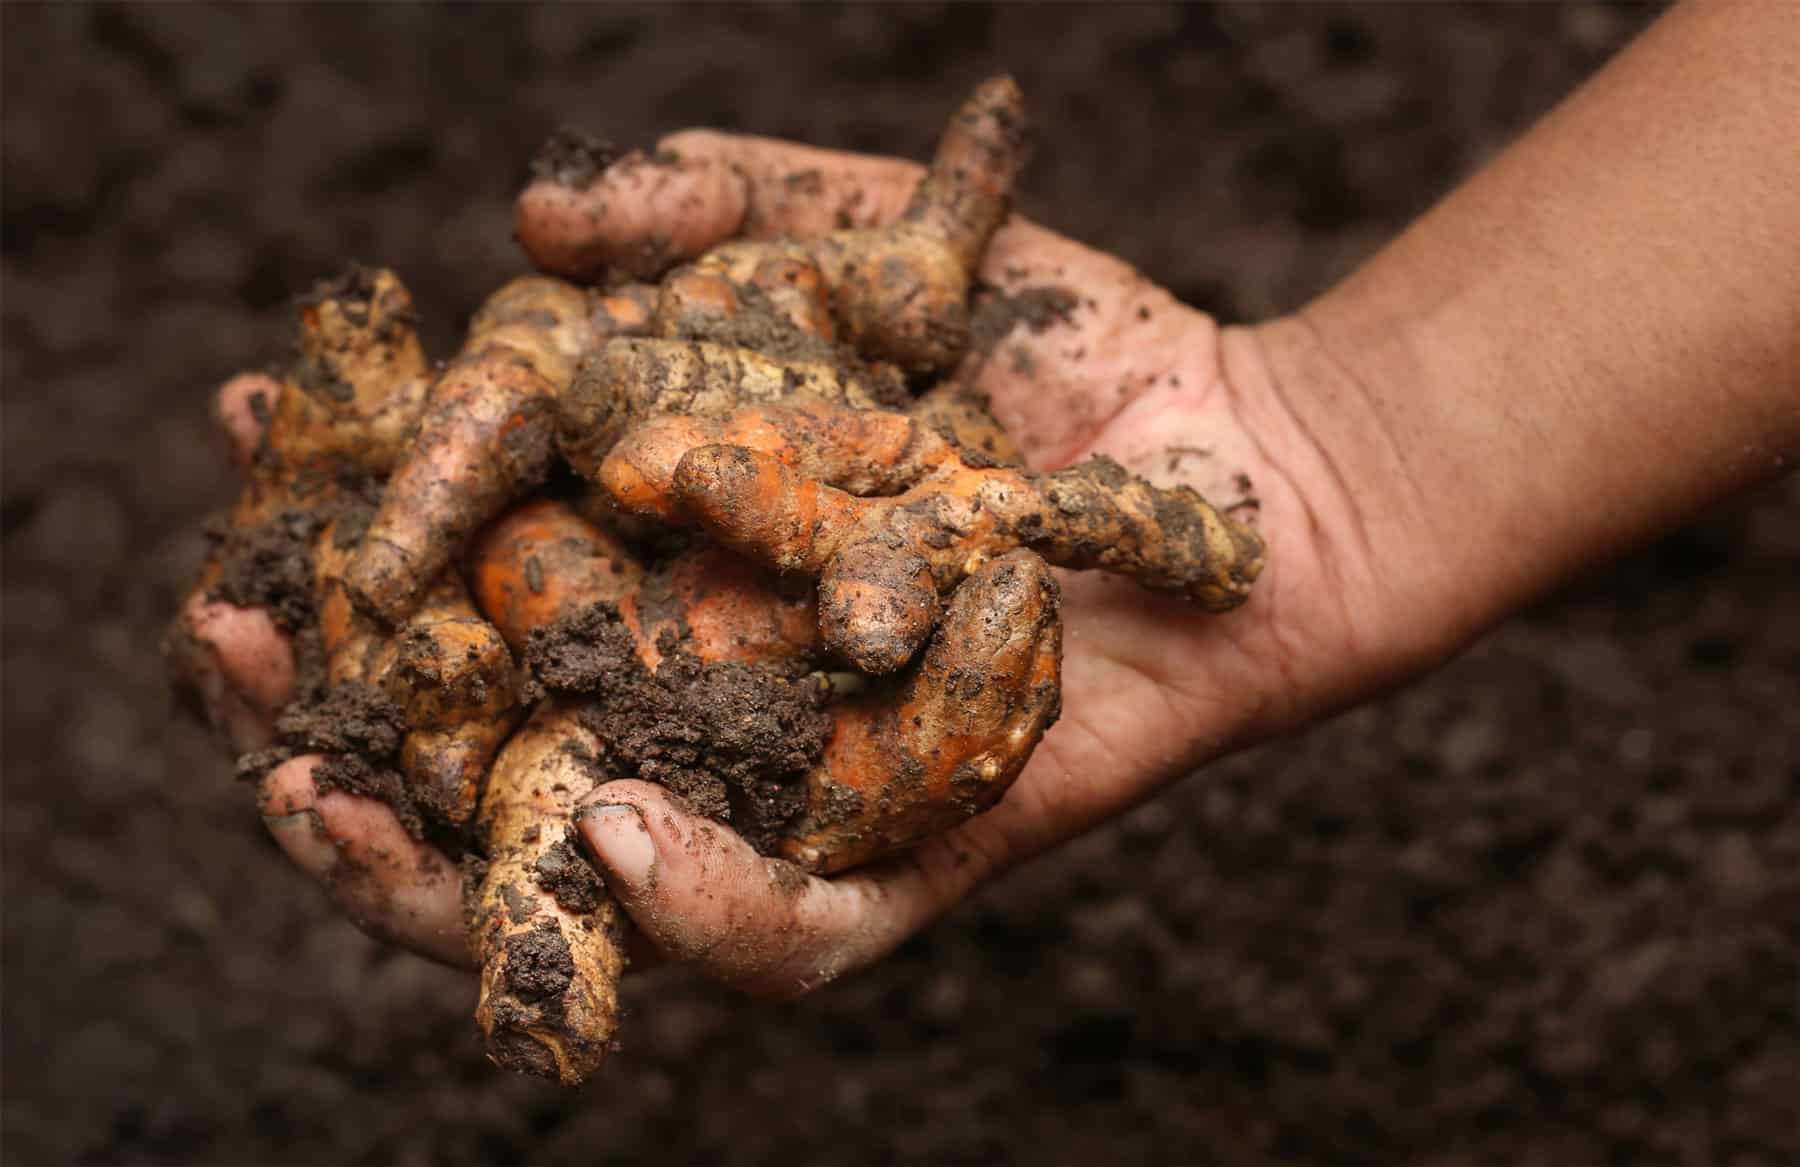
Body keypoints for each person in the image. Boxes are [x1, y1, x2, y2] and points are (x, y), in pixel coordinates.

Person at [184, 0, 1797, 993]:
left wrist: (1072, 499)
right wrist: (1348, 443)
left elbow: (875, 526)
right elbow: (622, 471)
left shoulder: (915, 512)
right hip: (694, 497)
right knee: (514, 560)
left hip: (824, 493)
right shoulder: (623, 455)